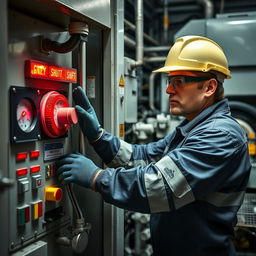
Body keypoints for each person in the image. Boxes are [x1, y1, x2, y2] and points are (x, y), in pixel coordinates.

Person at [56, 35, 251, 256]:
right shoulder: (191, 129)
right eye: (169, 81)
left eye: (179, 81)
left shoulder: (220, 136)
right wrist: (99, 137)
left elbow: (158, 186)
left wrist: (96, 178)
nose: (168, 90)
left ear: (209, 87)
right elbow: (144, 156)